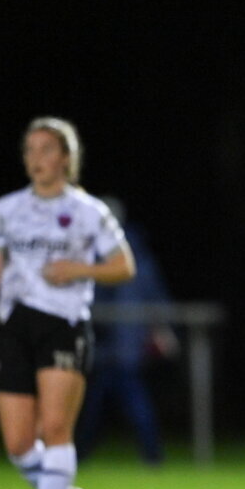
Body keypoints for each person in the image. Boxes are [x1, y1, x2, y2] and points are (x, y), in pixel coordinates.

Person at [0, 117, 136, 489]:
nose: (36, 159)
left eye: (46, 149)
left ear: (66, 158)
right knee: (17, 444)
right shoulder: (7, 209)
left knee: (54, 429)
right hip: (16, 327)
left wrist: (80, 269)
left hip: (65, 324)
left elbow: (124, 266)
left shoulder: (89, 211)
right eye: (30, 150)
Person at [75, 196, 176, 465]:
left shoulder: (107, 252)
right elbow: (156, 295)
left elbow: (150, 296)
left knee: (111, 402)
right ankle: (150, 456)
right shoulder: (134, 252)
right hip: (117, 342)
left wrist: (162, 329)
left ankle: (82, 454)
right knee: (104, 402)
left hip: (117, 342)